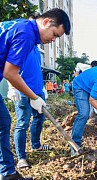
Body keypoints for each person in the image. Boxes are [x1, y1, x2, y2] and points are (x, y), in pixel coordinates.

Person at [0, 8, 71, 179]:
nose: (53, 40)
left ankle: (7, 172)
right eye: (54, 34)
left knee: (3, 121)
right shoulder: (27, 33)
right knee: (6, 122)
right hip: (26, 89)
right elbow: (10, 73)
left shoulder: (21, 27)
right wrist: (33, 96)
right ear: (46, 22)